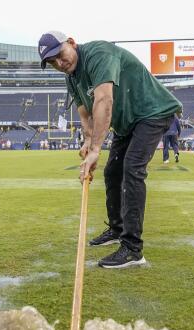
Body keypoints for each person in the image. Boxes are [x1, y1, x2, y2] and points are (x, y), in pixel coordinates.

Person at [38, 31, 182, 269]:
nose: (60, 64)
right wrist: (87, 140)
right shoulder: (71, 77)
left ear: (72, 43)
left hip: (153, 111)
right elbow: (84, 109)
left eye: (60, 55)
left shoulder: (98, 55)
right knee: (112, 172)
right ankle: (117, 229)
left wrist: (96, 148)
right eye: (53, 62)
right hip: (128, 123)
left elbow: (104, 100)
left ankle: (133, 249)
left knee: (132, 169)